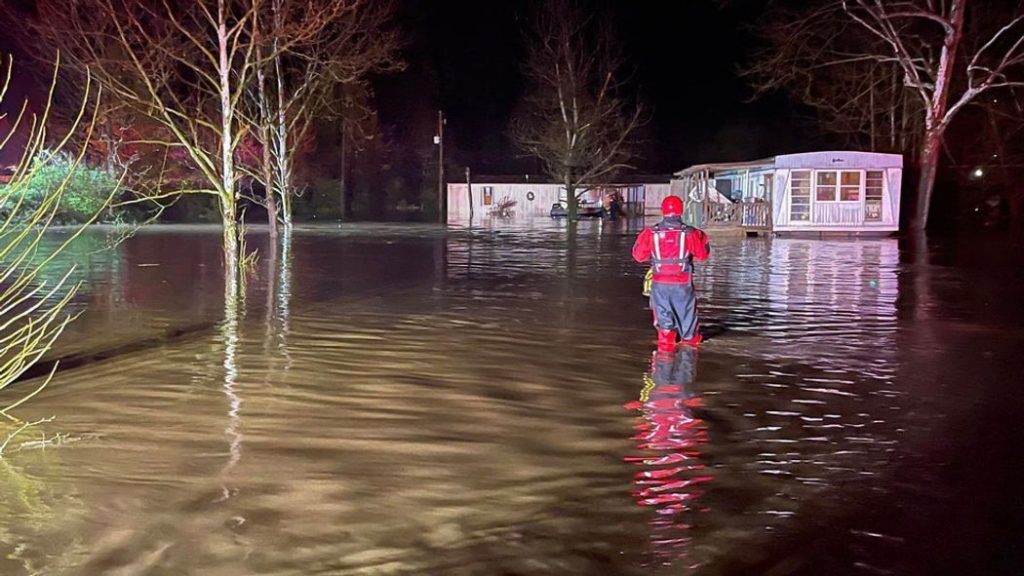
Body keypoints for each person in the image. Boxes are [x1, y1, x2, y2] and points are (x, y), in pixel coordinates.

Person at [632, 195, 710, 351]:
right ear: (682, 210)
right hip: (682, 285)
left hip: (659, 285)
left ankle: (663, 362)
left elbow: (638, 256)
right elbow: (703, 255)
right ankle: (689, 359)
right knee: (689, 330)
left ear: (663, 211)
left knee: (664, 327)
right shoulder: (691, 233)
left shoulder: (650, 233)